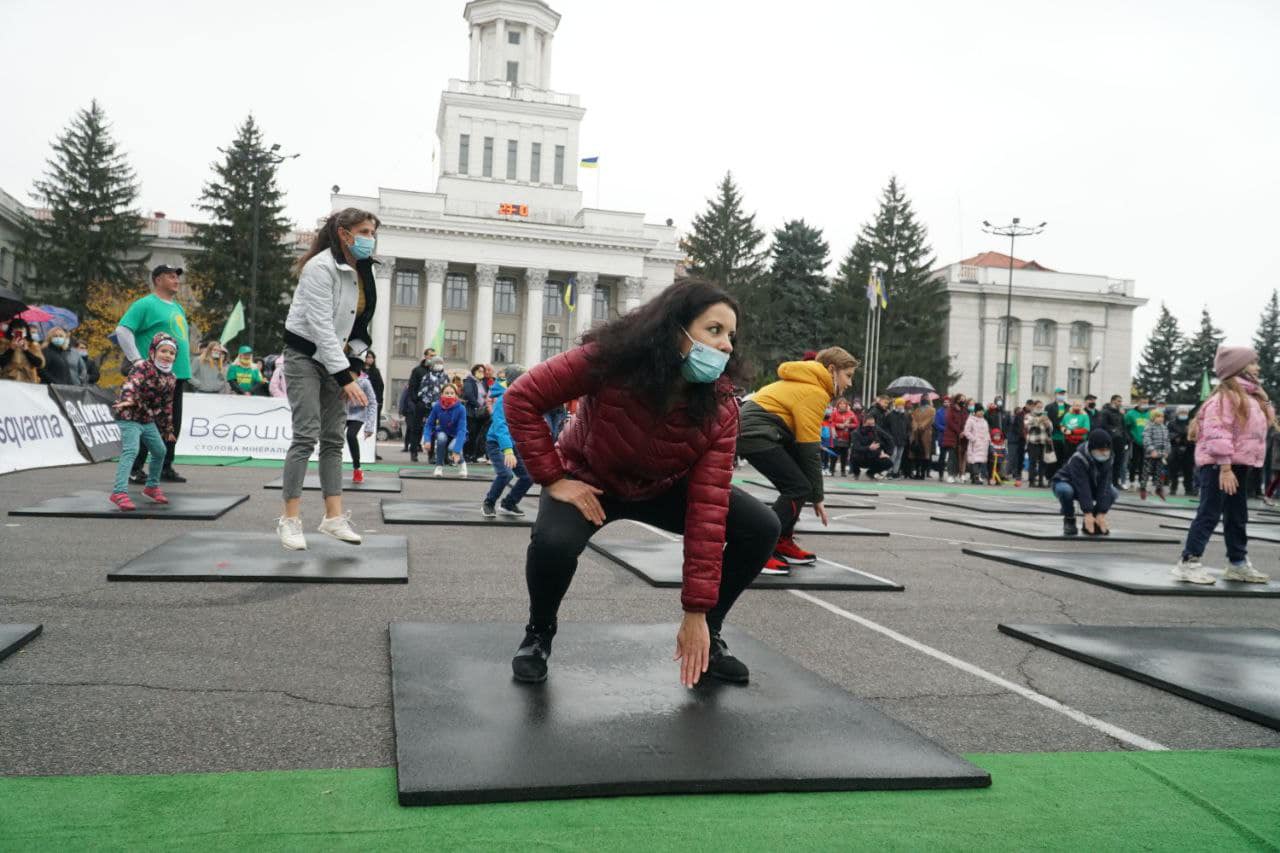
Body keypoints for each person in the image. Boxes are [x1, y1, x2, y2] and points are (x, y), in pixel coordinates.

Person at [503, 279, 779, 687]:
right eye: (714, 330)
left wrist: (696, 614)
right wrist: (554, 479)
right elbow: (521, 398)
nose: (725, 346)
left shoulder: (720, 410)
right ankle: (538, 634)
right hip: (589, 478)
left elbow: (708, 509)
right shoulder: (610, 361)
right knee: (553, 543)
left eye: (731, 337)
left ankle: (710, 636)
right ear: (674, 329)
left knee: (761, 526)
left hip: (660, 486)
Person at [275, 207, 380, 551]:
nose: (370, 238)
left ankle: (333, 518)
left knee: (334, 438)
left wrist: (355, 364)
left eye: (373, 232)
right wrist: (344, 376)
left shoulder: (364, 269)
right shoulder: (319, 268)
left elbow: (357, 323)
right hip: (305, 355)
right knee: (306, 435)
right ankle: (290, 521)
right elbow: (321, 327)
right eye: (364, 231)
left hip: (337, 359)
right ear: (344, 233)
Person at [739, 347, 859, 571]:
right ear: (832, 370)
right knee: (797, 487)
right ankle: (757, 549)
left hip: (764, 432)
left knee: (800, 485)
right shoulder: (815, 391)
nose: (850, 383)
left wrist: (813, 492)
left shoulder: (808, 383)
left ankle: (782, 541)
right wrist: (818, 497)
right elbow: (809, 449)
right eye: (848, 375)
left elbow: (802, 445)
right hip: (756, 434)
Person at [1173, 346, 1273, 584]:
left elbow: (1266, 423)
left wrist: (1263, 397)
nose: (1258, 367)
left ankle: (1237, 563)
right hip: (1219, 465)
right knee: (1209, 512)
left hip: (1237, 464)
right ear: (1239, 368)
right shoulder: (1223, 399)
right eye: (1253, 363)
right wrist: (1225, 467)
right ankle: (1188, 561)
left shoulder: (1249, 396)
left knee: (1237, 515)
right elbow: (1217, 433)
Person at [115, 264, 192, 484]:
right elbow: (123, 330)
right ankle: (134, 468)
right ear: (157, 280)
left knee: (171, 423)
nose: (176, 280)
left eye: (177, 276)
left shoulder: (177, 307)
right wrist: (137, 360)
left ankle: (165, 466)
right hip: (152, 376)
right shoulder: (145, 304)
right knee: (146, 422)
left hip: (176, 375)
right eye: (170, 276)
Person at [109, 333, 178, 510]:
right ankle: (119, 492)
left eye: (171, 353)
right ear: (153, 352)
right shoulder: (143, 368)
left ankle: (152, 487)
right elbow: (132, 384)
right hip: (129, 415)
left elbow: (167, 404)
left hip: (146, 418)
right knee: (131, 450)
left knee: (160, 450)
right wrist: (128, 398)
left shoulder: (171, 378)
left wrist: (168, 428)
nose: (167, 355)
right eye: (163, 351)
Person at [482, 364, 535, 517]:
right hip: (496, 443)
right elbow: (500, 426)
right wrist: (508, 451)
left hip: (513, 444)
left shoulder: (523, 398)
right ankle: (489, 503)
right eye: (524, 379)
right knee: (506, 474)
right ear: (515, 381)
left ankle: (508, 504)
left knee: (528, 476)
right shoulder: (504, 400)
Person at [1051, 428, 1117, 537]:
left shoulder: (1108, 459)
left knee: (1113, 492)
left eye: (1106, 450)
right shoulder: (1079, 458)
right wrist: (1087, 512)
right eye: (1100, 450)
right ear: (1092, 449)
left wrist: (1101, 513)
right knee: (1065, 491)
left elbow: (1104, 484)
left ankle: (1094, 521)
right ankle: (1069, 519)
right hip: (1067, 483)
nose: (1103, 453)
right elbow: (1082, 485)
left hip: (1091, 486)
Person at [425, 383, 468, 478]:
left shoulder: (461, 409)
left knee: (452, 448)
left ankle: (462, 463)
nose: (449, 395)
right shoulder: (437, 406)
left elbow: (462, 430)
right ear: (442, 394)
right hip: (444, 431)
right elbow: (429, 424)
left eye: (452, 393)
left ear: (456, 395)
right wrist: (427, 440)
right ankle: (439, 466)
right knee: (441, 438)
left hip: (458, 434)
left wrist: (456, 450)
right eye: (446, 392)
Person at [346, 365, 378, 484]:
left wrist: (369, 426)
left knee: (350, 435)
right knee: (334, 439)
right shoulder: (341, 381)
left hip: (357, 414)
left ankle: (357, 468)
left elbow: (372, 403)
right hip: (342, 412)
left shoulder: (364, 383)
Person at [405, 348, 434, 462]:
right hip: (421, 403)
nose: (432, 358)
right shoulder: (417, 370)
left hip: (433, 404)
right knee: (416, 428)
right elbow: (412, 387)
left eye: (434, 355)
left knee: (432, 429)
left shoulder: (436, 371)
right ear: (425, 356)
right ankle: (414, 452)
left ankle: (431, 455)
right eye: (430, 355)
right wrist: (416, 400)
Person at [849, 411, 894, 479]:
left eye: (873, 424)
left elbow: (889, 439)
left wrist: (888, 453)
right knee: (853, 456)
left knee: (888, 463)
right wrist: (869, 448)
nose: (871, 426)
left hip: (874, 456)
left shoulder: (877, 429)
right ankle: (856, 473)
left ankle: (870, 473)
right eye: (869, 424)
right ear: (863, 423)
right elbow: (856, 447)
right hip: (861, 457)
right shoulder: (855, 433)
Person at [0, 318, 45, 383]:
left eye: (22, 330)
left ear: (26, 331)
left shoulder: (33, 345)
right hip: (8, 380)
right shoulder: (4, 343)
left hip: (28, 381)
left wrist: (26, 351)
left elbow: (39, 364)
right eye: (16, 330)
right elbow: (1, 362)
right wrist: (11, 349)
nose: (19, 333)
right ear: (11, 331)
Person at [1139, 409, 1171, 501]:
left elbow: (1167, 441)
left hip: (1161, 455)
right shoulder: (1149, 427)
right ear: (1153, 418)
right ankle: (1143, 488)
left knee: (1159, 472)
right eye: (1158, 416)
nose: (1161, 419)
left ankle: (1158, 489)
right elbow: (1146, 439)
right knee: (1146, 472)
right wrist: (1152, 450)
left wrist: (1167, 451)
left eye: (1162, 416)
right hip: (1151, 455)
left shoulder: (1164, 428)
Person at [461, 363, 489, 462]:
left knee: (478, 434)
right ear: (474, 371)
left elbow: (487, 394)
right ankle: (466, 454)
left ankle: (474, 455)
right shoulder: (469, 381)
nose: (481, 373)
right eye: (479, 371)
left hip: (482, 413)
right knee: (470, 433)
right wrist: (478, 405)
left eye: (483, 371)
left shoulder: (483, 382)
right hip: (471, 412)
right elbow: (469, 395)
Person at [1168, 406, 1195, 496]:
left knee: (1188, 471)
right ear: (1177, 413)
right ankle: (1173, 488)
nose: (1183, 414)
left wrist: (1188, 437)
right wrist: (1176, 436)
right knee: (1173, 471)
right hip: (1175, 449)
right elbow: (1169, 434)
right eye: (1181, 412)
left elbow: (1194, 434)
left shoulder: (1191, 422)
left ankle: (1189, 489)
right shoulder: (1172, 423)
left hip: (1189, 449)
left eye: (1185, 412)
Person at [1124, 397, 1152, 486]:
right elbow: (1126, 428)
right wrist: (1130, 438)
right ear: (1138, 402)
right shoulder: (1130, 414)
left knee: (1144, 463)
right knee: (1134, 462)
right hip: (1135, 442)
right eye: (1143, 402)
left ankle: (1142, 482)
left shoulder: (1150, 414)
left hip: (1146, 442)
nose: (1145, 404)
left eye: (1146, 402)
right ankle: (1132, 482)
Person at [941, 394, 968, 483]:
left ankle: (956, 474)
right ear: (957, 400)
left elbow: (966, 421)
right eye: (961, 399)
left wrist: (964, 431)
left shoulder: (964, 410)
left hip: (961, 437)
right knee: (952, 457)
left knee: (959, 457)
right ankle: (950, 474)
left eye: (964, 399)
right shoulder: (951, 409)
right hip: (952, 436)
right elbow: (950, 422)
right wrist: (959, 431)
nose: (963, 401)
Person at [1025, 402, 1052, 487]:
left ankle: (1041, 481)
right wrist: (1039, 420)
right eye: (1038, 406)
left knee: (1043, 463)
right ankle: (1031, 481)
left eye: (1041, 406)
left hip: (1043, 442)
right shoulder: (1028, 415)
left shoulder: (1045, 416)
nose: (1040, 408)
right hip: (1033, 442)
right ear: (1034, 407)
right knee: (1032, 462)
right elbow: (1027, 426)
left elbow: (1051, 428)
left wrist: (1048, 424)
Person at [1044, 388, 1070, 478]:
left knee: (1063, 458)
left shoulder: (1069, 407)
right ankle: (1050, 476)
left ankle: (1061, 476)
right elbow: (1046, 420)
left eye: (1063, 393)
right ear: (1055, 394)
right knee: (1052, 458)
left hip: (1065, 437)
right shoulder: (1049, 407)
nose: (1061, 395)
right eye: (1060, 393)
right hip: (1053, 435)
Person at [830, 397, 858, 477]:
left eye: (844, 404)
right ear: (838, 405)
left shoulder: (851, 413)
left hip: (846, 437)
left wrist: (848, 425)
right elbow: (831, 423)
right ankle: (831, 469)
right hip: (836, 436)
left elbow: (856, 424)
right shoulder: (834, 413)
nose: (842, 405)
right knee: (834, 454)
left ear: (846, 405)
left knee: (844, 455)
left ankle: (843, 471)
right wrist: (838, 425)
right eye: (840, 404)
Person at [963, 408, 991, 484]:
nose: (981, 412)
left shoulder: (984, 421)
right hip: (975, 444)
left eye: (982, 411)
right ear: (975, 412)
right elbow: (966, 431)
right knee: (974, 460)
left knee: (980, 461)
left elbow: (987, 432)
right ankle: (975, 477)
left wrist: (988, 440)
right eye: (979, 411)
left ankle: (975, 477)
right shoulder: (971, 420)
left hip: (983, 444)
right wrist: (973, 439)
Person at [908, 400, 935, 479]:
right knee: (916, 454)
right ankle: (917, 472)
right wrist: (916, 427)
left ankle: (923, 473)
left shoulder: (932, 410)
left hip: (926, 433)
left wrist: (922, 426)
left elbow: (931, 419)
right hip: (916, 434)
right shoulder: (916, 410)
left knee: (925, 454)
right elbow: (913, 420)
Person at [885, 397, 910, 478]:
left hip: (902, 439)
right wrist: (889, 437)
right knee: (893, 456)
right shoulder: (890, 415)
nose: (900, 406)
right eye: (899, 404)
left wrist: (906, 436)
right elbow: (886, 427)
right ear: (896, 405)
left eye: (902, 405)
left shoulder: (905, 415)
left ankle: (895, 472)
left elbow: (908, 427)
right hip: (893, 439)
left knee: (899, 457)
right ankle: (889, 471)